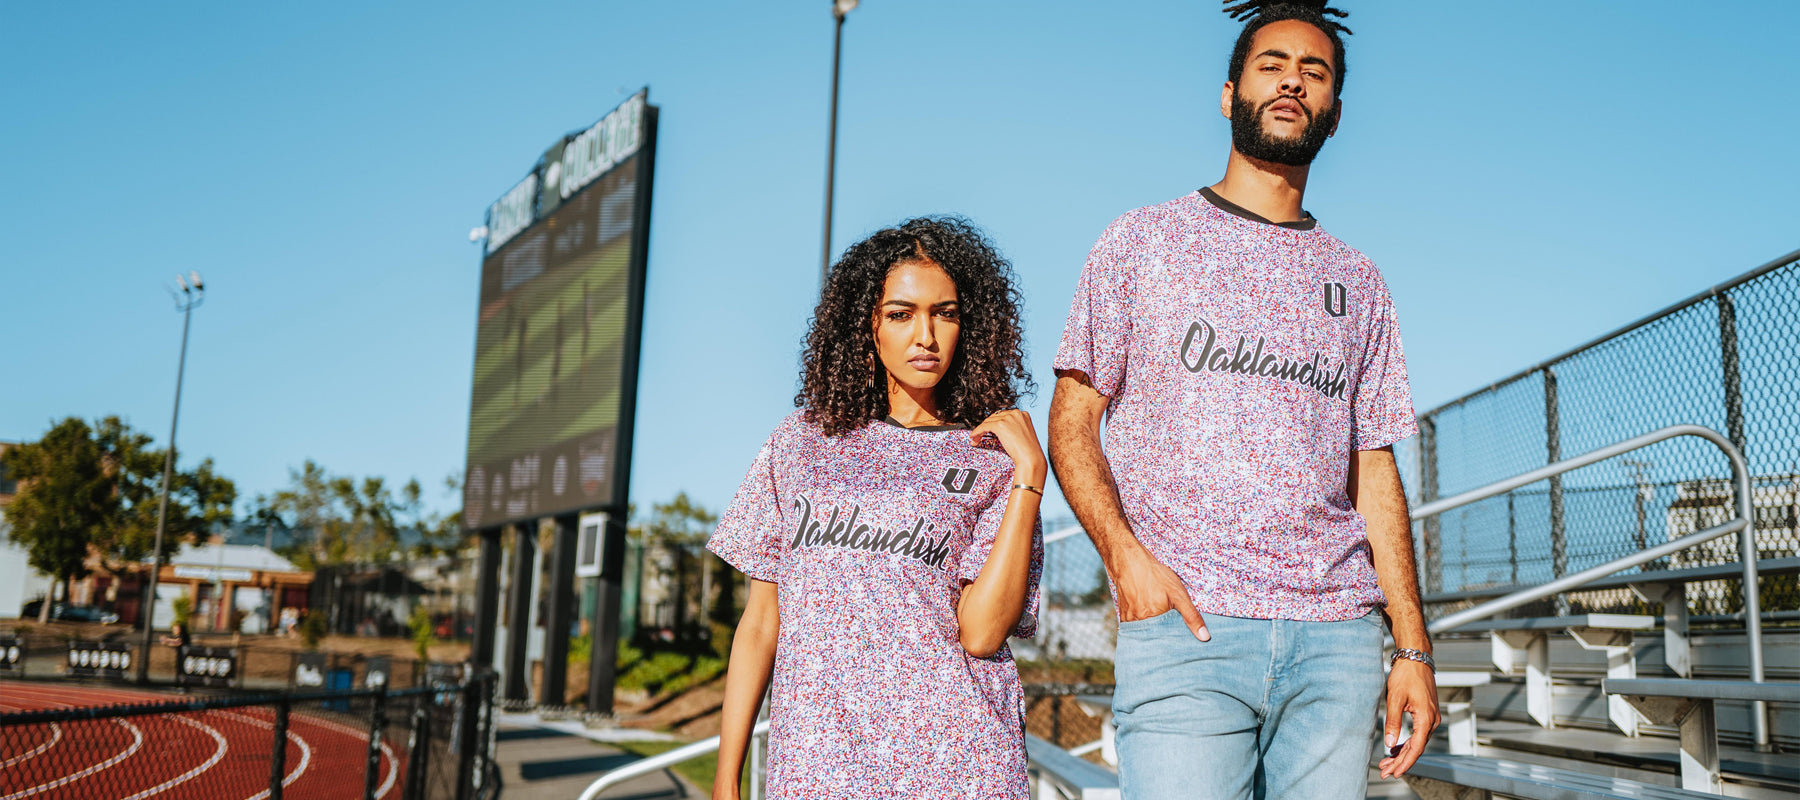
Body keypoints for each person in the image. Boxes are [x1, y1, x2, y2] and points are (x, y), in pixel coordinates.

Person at [1047, 2, 1438, 797]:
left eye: (1315, 70)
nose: (1293, 78)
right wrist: (1127, 562)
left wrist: (1413, 648)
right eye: (1272, 64)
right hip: (1188, 627)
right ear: (1229, 94)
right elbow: (1073, 420)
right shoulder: (1141, 242)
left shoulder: (1358, 280)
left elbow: (1374, 469)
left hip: (1337, 644)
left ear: (1333, 112)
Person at [709, 217, 1045, 799]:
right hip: (817, 766)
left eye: (946, 312)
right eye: (901, 313)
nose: (926, 336)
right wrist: (726, 777)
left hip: (959, 765)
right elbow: (762, 623)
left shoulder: (992, 461)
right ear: (867, 325)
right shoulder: (801, 443)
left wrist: (1030, 478)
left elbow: (984, 634)